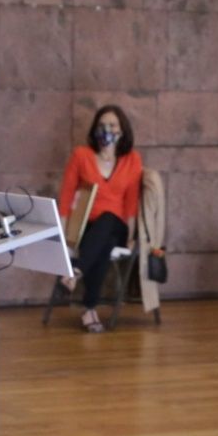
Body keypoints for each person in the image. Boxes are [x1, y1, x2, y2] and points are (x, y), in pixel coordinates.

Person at [56, 105, 143, 333]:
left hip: (118, 227)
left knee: (107, 220)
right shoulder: (81, 155)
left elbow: (131, 202)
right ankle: (89, 309)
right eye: (102, 125)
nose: (107, 129)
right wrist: (66, 234)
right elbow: (66, 195)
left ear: (122, 130)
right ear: (95, 129)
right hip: (88, 227)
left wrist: (132, 237)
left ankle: (75, 272)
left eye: (113, 125)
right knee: (101, 246)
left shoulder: (132, 160)